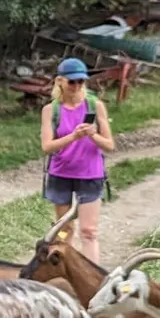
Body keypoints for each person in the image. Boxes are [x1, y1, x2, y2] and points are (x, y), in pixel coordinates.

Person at [40, 57, 116, 262]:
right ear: (60, 82)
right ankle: (65, 274)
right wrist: (73, 137)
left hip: (90, 174)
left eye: (81, 81)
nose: (76, 86)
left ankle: (93, 278)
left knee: (89, 231)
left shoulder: (95, 106)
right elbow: (47, 147)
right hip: (61, 174)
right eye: (71, 81)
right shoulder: (51, 110)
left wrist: (92, 134)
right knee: (64, 230)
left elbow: (109, 145)